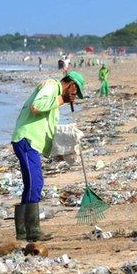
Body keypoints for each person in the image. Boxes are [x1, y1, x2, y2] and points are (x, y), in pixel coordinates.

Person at [11, 71, 87, 241]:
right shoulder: (51, 85)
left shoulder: (55, 98)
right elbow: (36, 107)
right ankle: (33, 231)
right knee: (36, 183)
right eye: (75, 91)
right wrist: (62, 100)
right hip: (26, 139)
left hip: (32, 143)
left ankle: (23, 232)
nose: (74, 95)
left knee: (30, 183)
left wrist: (58, 151)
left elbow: (48, 127)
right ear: (71, 84)